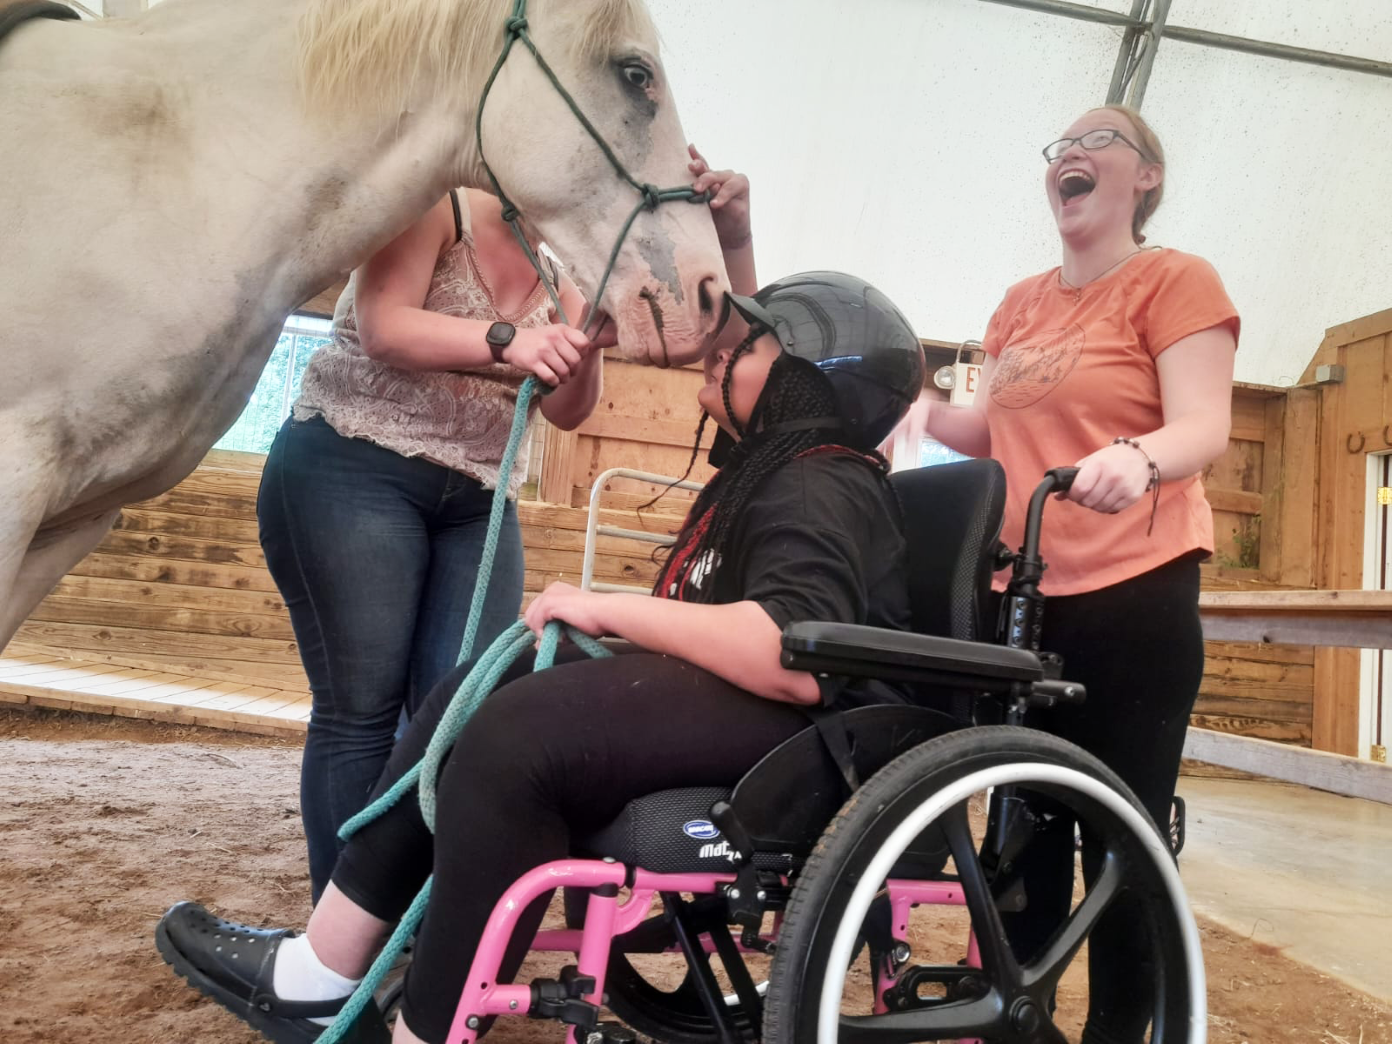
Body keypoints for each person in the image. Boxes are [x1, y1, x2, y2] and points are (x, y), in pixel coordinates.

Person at [157, 252, 927, 1042]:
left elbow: (788, 653)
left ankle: (417, 1024)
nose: (724, 348)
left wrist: (607, 609)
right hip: (764, 712)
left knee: (518, 740)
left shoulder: (817, 480)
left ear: (811, 386)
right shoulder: (773, 476)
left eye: (756, 346)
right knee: (480, 691)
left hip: (818, 733)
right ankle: (324, 971)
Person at [903, 104, 1239, 1039]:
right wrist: (913, 405)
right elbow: (989, 432)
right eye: (1061, 148)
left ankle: (1125, 1030)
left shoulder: (1174, 279)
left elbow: (1203, 425)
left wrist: (1140, 455)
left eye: (1100, 143)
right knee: (1023, 830)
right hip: (1024, 604)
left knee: (1121, 837)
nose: (1073, 156)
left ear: (1148, 178)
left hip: (1136, 592)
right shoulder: (1018, 302)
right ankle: (1020, 1024)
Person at [259, 187, 610, 902]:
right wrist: (514, 341)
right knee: (359, 710)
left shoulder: (559, 271)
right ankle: (341, 939)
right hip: (358, 464)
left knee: (458, 713)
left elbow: (569, 413)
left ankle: (411, 918)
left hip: (478, 498)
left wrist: (589, 346)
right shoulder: (437, 206)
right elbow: (385, 327)